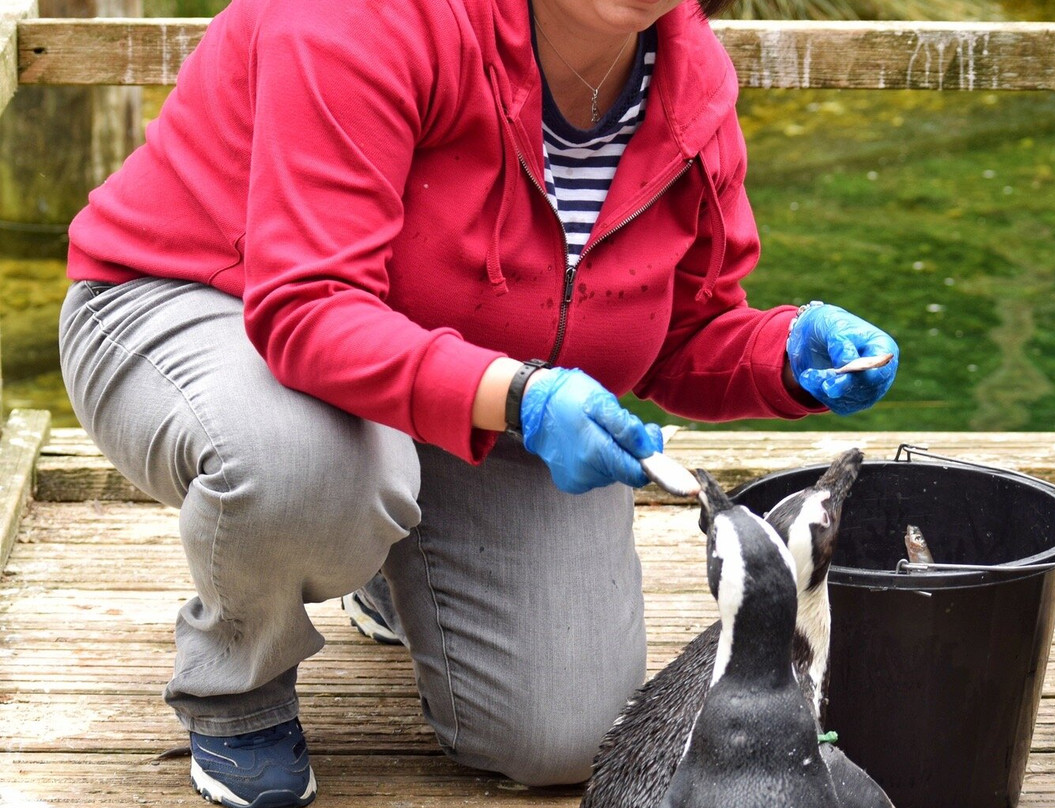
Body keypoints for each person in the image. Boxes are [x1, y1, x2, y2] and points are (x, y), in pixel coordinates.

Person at [57, 0, 899, 805]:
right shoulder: (362, 15)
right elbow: (307, 308)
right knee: (305, 467)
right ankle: (237, 683)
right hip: (206, 300)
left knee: (565, 736)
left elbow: (677, 334)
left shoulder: (693, 81)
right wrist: (526, 398)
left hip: (477, 374)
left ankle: (391, 565)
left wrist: (783, 357)